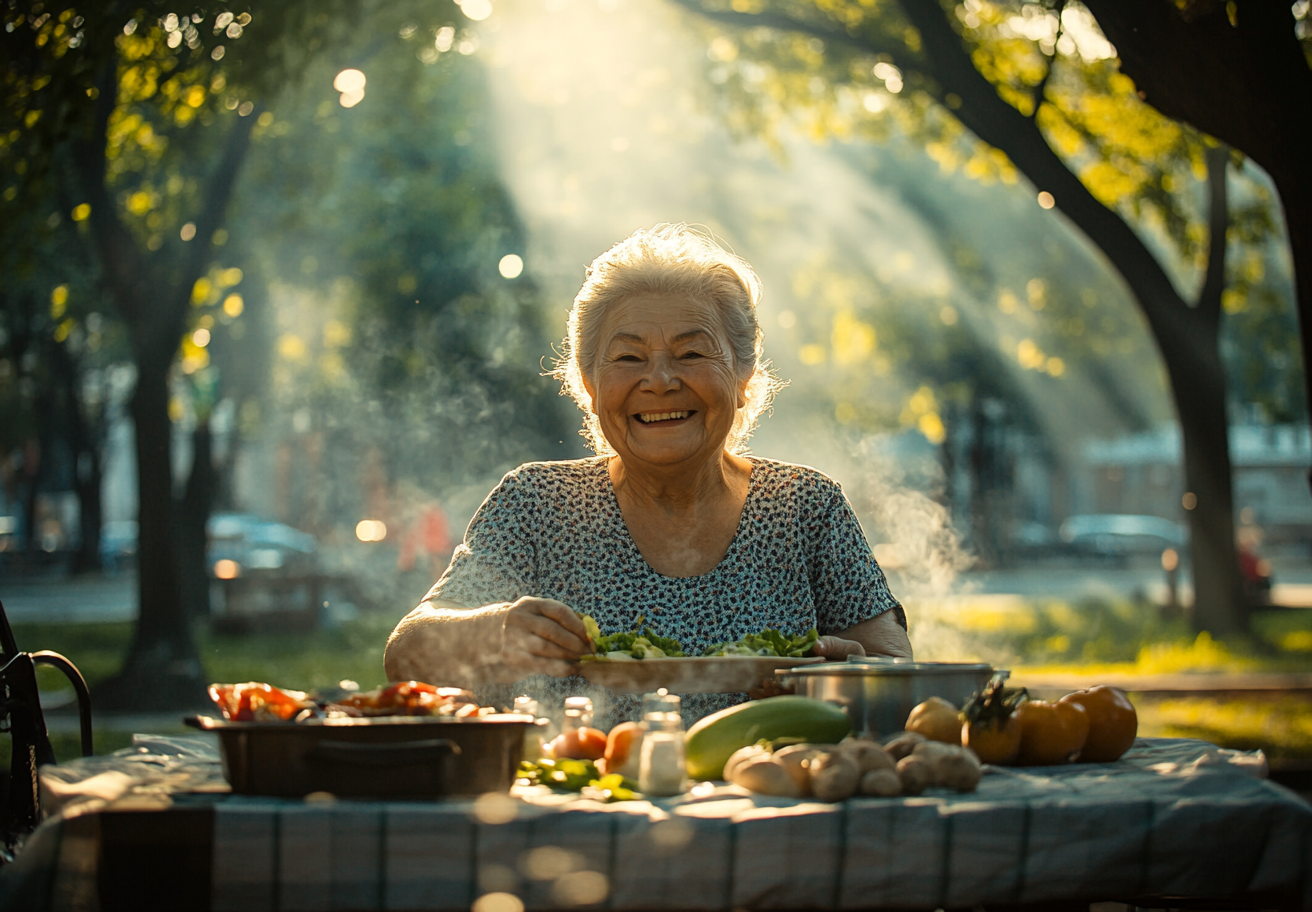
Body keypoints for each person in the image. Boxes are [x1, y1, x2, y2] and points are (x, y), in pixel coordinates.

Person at [385, 224, 912, 725]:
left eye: (691, 352)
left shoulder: (804, 506)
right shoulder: (537, 502)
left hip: (768, 791)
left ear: (744, 375)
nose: (659, 380)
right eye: (629, 357)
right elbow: (407, 654)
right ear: (589, 385)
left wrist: (846, 677)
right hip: (573, 800)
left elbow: (898, 675)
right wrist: (491, 630)